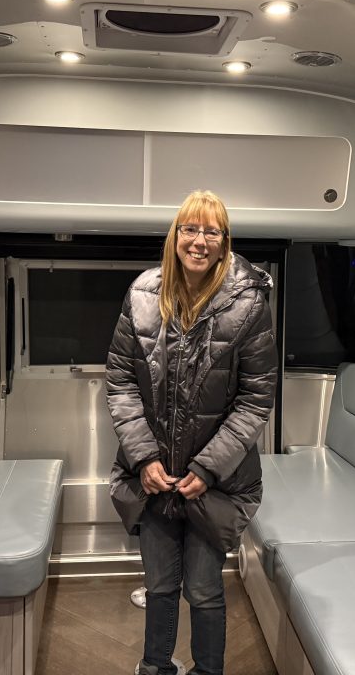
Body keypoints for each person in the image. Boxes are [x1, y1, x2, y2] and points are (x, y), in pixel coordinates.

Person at [106, 190, 278, 675]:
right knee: (160, 587)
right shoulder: (142, 293)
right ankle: (155, 668)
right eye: (190, 229)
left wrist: (207, 468)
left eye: (211, 231)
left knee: (203, 590)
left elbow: (256, 398)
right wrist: (144, 458)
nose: (199, 241)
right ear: (175, 235)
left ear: (224, 241)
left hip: (216, 482)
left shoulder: (248, 304)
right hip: (154, 477)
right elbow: (120, 382)